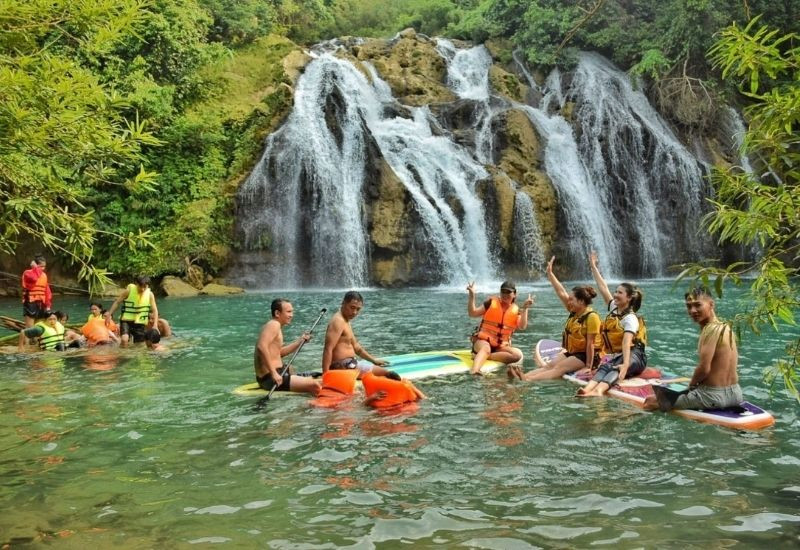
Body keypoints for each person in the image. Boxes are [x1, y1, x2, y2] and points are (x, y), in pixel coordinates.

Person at [644, 287, 743, 411]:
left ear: (711, 304)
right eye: (689, 306)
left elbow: (704, 368)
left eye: (698, 305)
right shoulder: (725, 327)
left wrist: (690, 387)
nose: (692, 310)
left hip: (711, 396)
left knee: (650, 402)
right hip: (736, 393)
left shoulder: (710, 330)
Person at [509, 256, 601, 382]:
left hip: (586, 357)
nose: (569, 301)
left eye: (572, 299)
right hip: (573, 352)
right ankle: (525, 375)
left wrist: (588, 367)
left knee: (559, 368)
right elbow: (561, 292)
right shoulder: (575, 312)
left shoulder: (592, 317)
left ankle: (527, 380)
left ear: (580, 301)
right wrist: (550, 274)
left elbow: (590, 344)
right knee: (549, 365)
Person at [576, 251, 648, 397]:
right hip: (622, 354)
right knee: (605, 367)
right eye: (616, 291)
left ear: (628, 298)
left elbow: (627, 343)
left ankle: (598, 391)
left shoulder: (630, 318)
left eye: (619, 293)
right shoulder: (614, 309)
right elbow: (603, 288)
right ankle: (588, 388)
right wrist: (593, 267)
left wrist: (626, 364)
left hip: (636, 356)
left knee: (616, 367)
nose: (615, 295)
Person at [322, 291, 397, 379]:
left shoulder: (345, 321)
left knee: (382, 372)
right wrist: (325, 376)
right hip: (342, 366)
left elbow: (357, 348)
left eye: (358, 309)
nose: (354, 312)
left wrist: (374, 360)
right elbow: (328, 348)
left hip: (349, 364)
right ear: (343, 303)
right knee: (387, 373)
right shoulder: (338, 321)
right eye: (352, 307)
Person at [254, 299, 320, 395]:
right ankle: (316, 408)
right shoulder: (274, 325)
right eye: (288, 312)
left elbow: (279, 353)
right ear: (277, 313)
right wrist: (274, 373)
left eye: (292, 311)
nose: (291, 315)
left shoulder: (275, 326)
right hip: (270, 378)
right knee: (314, 385)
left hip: (276, 373)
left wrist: (299, 342)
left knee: (291, 368)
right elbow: (261, 346)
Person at [467, 280, 533, 375]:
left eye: (508, 292)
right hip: (482, 341)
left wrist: (525, 308)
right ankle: (475, 371)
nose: (505, 294)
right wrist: (472, 296)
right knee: (486, 349)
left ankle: (481, 356)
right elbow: (472, 313)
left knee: (517, 355)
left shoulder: (516, 310)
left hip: (500, 346)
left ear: (514, 294)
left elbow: (522, 326)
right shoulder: (491, 302)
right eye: (503, 292)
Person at [106, 275, 159, 346]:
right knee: (124, 339)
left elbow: (155, 310)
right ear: (136, 284)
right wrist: (109, 315)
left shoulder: (150, 294)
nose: (143, 289)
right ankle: (123, 354)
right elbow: (117, 302)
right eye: (141, 286)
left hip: (140, 323)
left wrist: (155, 325)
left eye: (145, 287)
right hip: (126, 320)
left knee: (139, 345)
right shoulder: (128, 291)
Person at [362, 371, 428, 409]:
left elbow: (363, 406)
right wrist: (412, 387)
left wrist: (371, 398)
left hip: (387, 414)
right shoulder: (406, 388)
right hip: (405, 411)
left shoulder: (378, 394)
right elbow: (424, 398)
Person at [21, 255, 52, 329]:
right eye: (41, 266)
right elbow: (33, 278)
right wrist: (35, 268)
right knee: (29, 327)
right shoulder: (27, 273)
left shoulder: (44, 275)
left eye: (44, 266)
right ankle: (27, 340)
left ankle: (36, 340)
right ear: (35, 265)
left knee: (39, 325)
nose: (43, 269)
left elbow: (47, 291)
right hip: (30, 301)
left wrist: (48, 305)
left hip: (41, 302)